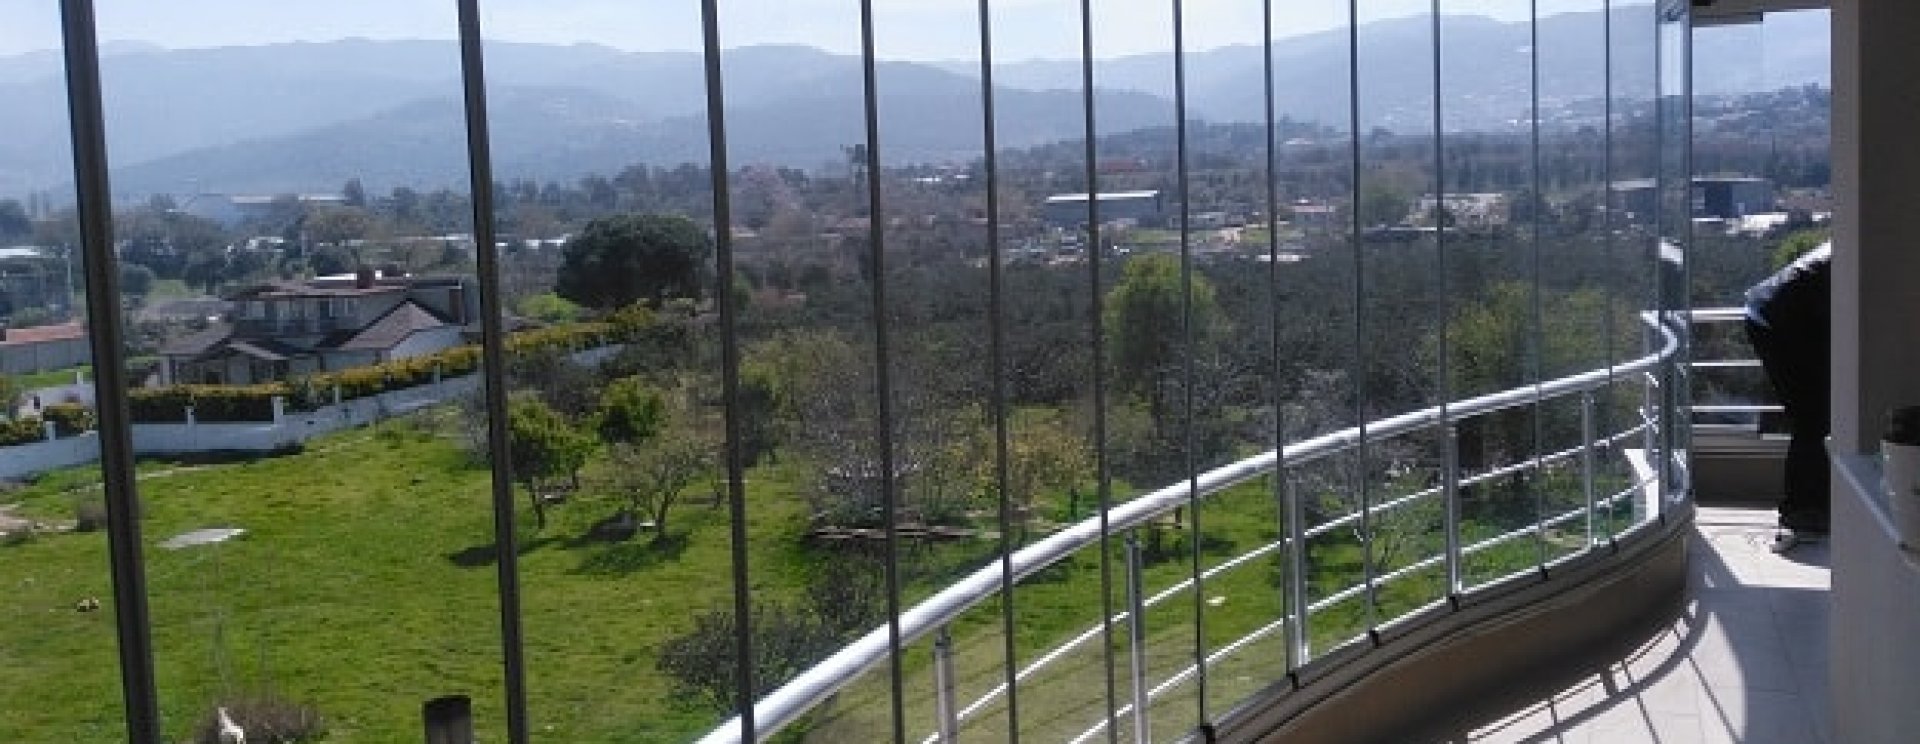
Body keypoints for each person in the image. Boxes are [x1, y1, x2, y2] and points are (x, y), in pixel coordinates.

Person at [1744, 241, 1831, 552]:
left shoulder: (1851, 250)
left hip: (1774, 315)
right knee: (1812, 418)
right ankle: (1802, 512)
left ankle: (1810, 508)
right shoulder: (1857, 260)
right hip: (1775, 323)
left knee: (1816, 415)